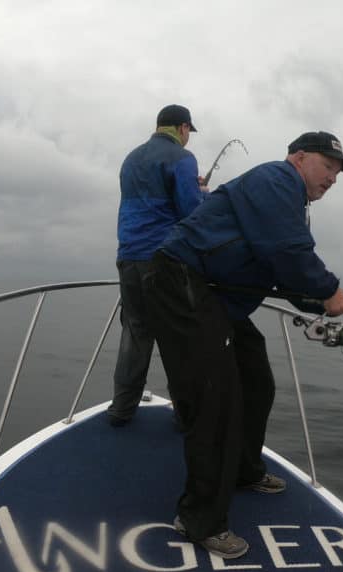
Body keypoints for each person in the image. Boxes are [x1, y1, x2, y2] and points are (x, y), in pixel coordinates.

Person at [144, 131, 343, 559]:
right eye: (327, 166)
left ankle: (243, 470)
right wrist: (332, 292)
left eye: (338, 172)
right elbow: (288, 251)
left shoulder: (291, 204)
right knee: (216, 400)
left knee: (256, 383)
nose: (333, 178)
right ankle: (200, 520)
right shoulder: (276, 180)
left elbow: (289, 275)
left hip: (218, 296)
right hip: (182, 280)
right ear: (298, 157)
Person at [107, 104, 208, 427]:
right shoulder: (182, 158)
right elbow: (190, 212)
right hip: (164, 262)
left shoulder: (131, 158)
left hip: (128, 258)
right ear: (182, 128)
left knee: (135, 332)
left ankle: (121, 410)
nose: (188, 137)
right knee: (176, 336)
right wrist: (202, 191)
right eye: (189, 131)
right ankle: (187, 415)